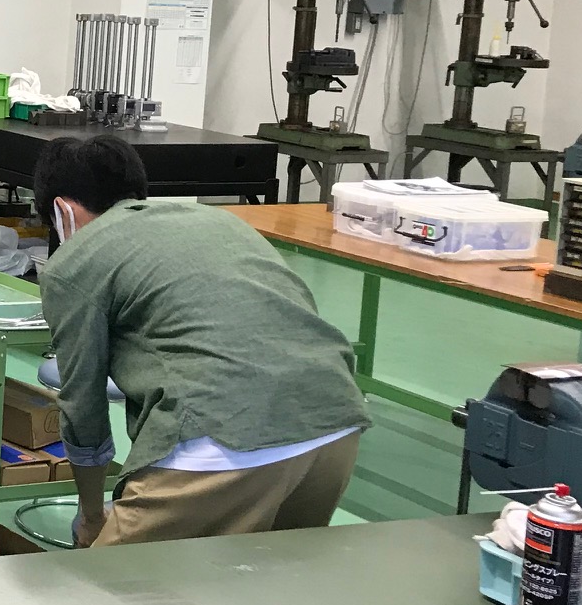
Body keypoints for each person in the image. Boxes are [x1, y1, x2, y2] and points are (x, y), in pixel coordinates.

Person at [34, 133, 371, 548]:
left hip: (221, 440)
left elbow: (83, 407)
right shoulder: (221, 222)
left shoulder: (75, 261)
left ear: (62, 210)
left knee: (110, 582)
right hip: (334, 421)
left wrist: (90, 517)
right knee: (270, 577)